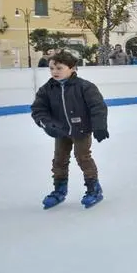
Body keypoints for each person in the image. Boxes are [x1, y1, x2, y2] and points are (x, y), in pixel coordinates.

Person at [30, 51, 109, 209]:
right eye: (52, 68)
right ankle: (59, 189)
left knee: (83, 157)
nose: (54, 72)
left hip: (82, 130)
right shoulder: (47, 89)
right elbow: (39, 109)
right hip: (60, 131)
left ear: (72, 68)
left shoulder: (85, 87)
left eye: (59, 68)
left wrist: (99, 126)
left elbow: (97, 107)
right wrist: (47, 124)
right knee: (59, 160)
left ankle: (94, 188)